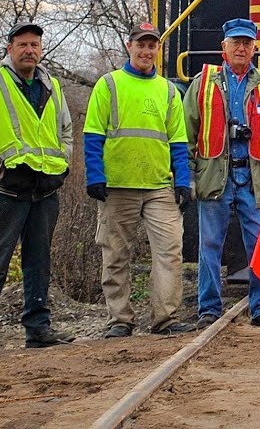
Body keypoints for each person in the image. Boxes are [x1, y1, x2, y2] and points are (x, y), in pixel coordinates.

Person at [0, 22, 75, 355]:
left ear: (41, 49)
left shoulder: (50, 85)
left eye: (35, 45)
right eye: (22, 44)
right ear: (9, 49)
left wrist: (63, 164)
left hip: (44, 191)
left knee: (39, 261)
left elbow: (66, 132)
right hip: (7, 192)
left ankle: (38, 328)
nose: (29, 50)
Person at [84, 22, 194, 337]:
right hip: (117, 186)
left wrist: (182, 181)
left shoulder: (169, 90)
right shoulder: (109, 85)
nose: (147, 51)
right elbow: (93, 134)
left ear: (158, 50)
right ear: (129, 46)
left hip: (159, 186)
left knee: (170, 251)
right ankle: (120, 320)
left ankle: (166, 318)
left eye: (152, 46)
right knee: (116, 253)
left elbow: (178, 139)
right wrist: (95, 176)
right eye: (141, 45)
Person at [185, 18, 260, 328]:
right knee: (209, 245)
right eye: (236, 43)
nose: (241, 48)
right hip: (214, 175)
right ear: (224, 47)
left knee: (259, 245)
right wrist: (188, 175)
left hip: (253, 178)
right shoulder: (203, 84)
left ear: (255, 48)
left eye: (247, 43)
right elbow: (187, 131)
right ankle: (208, 309)